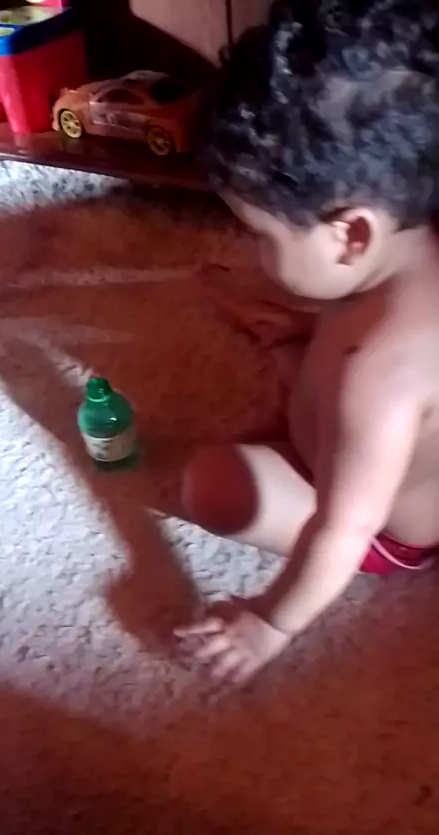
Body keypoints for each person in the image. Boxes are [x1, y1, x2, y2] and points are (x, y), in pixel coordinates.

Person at [176, 0, 439, 683]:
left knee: (212, 484)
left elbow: (342, 528)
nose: (255, 252)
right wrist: (303, 329)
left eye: (262, 236)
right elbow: (350, 320)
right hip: (356, 433)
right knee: (302, 350)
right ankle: (292, 357)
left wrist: (269, 623)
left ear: (351, 235)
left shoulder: (382, 373)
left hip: (380, 528)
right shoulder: (401, 261)